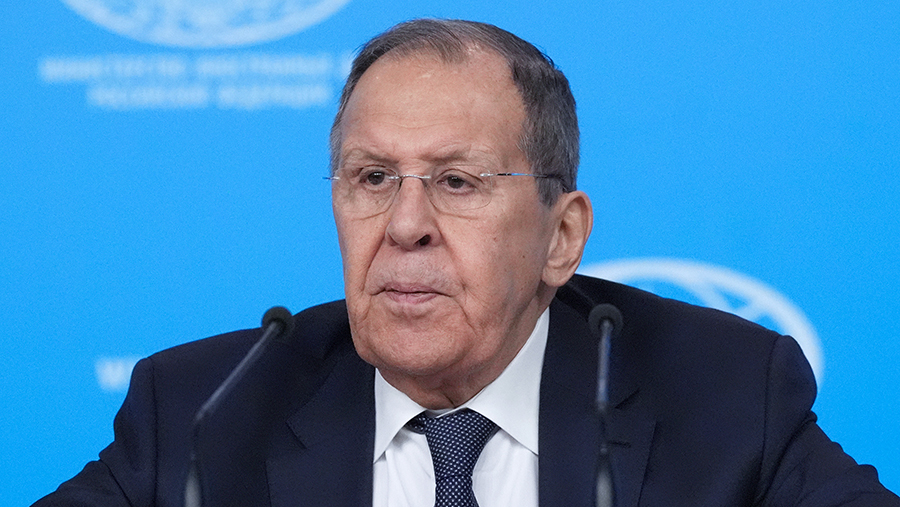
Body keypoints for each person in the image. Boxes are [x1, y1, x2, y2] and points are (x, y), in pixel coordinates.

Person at [34, 18, 898, 507]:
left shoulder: (726, 396)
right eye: (373, 178)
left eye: (456, 181)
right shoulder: (201, 413)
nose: (405, 225)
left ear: (562, 236)